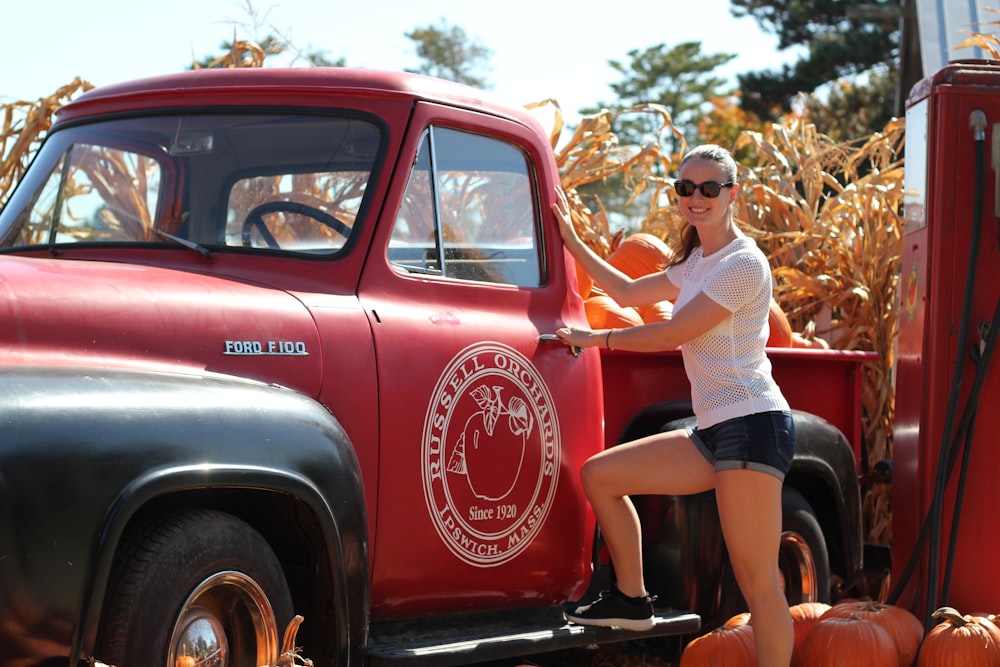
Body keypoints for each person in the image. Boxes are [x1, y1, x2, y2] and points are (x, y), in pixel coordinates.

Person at [552, 144, 795, 667]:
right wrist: (572, 240)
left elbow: (673, 332)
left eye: (709, 189)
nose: (697, 198)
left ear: (732, 194)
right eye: (687, 188)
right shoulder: (696, 263)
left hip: (753, 426)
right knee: (601, 475)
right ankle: (633, 599)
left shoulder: (742, 263)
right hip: (714, 430)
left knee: (758, 585)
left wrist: (595, 340)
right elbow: (625, 288)